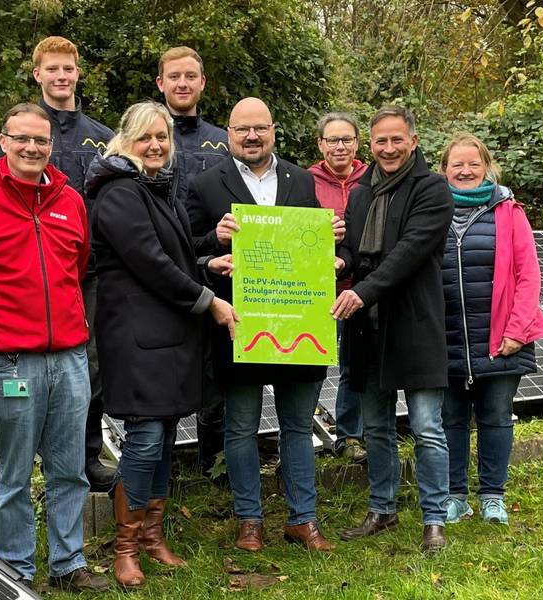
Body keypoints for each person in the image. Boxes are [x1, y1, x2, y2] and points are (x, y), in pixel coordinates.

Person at [0, 103, 108, 592]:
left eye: (41, 140)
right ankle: (14, 567)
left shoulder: (70, 201)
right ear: (4, 141)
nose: (32, 148)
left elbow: (76, 268)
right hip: (10, 361)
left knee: (69, 467)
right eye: (23, 139)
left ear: (51, 145)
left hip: (70, 358)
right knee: (15, 473)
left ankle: (67, 562)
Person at [84, 101, 239, 587]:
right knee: (146, 438)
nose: (156, 146)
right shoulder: (118, 194)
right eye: (146, 137)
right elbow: (150, 262)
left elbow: (175, 253)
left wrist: (207, 262)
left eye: (163, 138)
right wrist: (207, 299)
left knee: (166, 436)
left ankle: (152, 537)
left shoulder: (157, 187)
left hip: (169, 336)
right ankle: (125, 547)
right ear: (125, 141)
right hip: (135, 338)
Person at [187, 97, 344, 553]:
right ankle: (249, 520)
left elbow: (314, 247)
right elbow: (189, 250)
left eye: (259, 128)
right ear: (228, 135)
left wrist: (329, 239)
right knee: (240, 428)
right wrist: (212, 249)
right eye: (241, 130)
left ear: (273, 129)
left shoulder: (301, 179)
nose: (251, 136)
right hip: (241, 325)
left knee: (298, 425)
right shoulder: (204, 184)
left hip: (299, 324)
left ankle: (303, 520)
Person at [0, 36, 118, 491]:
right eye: (53, 69)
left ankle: (85, 457)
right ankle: (37, 460)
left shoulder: (103, 137)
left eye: (69, 68)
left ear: (78, 73)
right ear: (38, 75)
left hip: (89, 273)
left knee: (90, 368)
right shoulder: (20, 131)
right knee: (31, 370)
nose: (61, 76)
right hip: (32, 273)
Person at [331, 105, 453, 553]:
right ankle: (382, 509)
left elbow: (410, 251)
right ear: (372, 144)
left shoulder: (433, 189)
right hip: (366, 330)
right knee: (376, 426)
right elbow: (352, 248)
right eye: (380, 141)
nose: (388, 148)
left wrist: (363, 291)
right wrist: (340, 261)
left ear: (413, 141)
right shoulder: (362, 193)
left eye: (396, 139)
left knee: (426, 426)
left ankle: (434, 518)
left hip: (415, 326)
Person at [437, 132, 543, 525]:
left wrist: (517, 330)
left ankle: (492, 496)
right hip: (446, 338)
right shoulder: (432, 212)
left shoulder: (509, 211)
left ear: (486, 167)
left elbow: (528, 275)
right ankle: (454, 497)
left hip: (503, 337)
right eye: (457, 165)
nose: (465, 171)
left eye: (473, 164)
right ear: (444, 170)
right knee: (450, 420)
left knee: (496, 417)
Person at [155, 45, 232, 476]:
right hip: (159, 271)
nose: (182, 83)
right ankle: (161, 468)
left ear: (202, 83)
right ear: (161, 83)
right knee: (165, 367)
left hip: (217, 270)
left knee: (217, 372)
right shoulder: (143, 137)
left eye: (191, 76)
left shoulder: (224, 140)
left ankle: (212, 464)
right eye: (174, 76)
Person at [307, 111, 368, 463]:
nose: (340, 146)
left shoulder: (371, 180)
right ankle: (301, 433)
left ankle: (350, 436)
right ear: (320, 144)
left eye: (346, 139)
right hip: (318, 288)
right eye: (332, 140)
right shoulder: (305, 181)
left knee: (353, 365)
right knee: (312, 363)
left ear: (357, 143)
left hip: (359, 288)